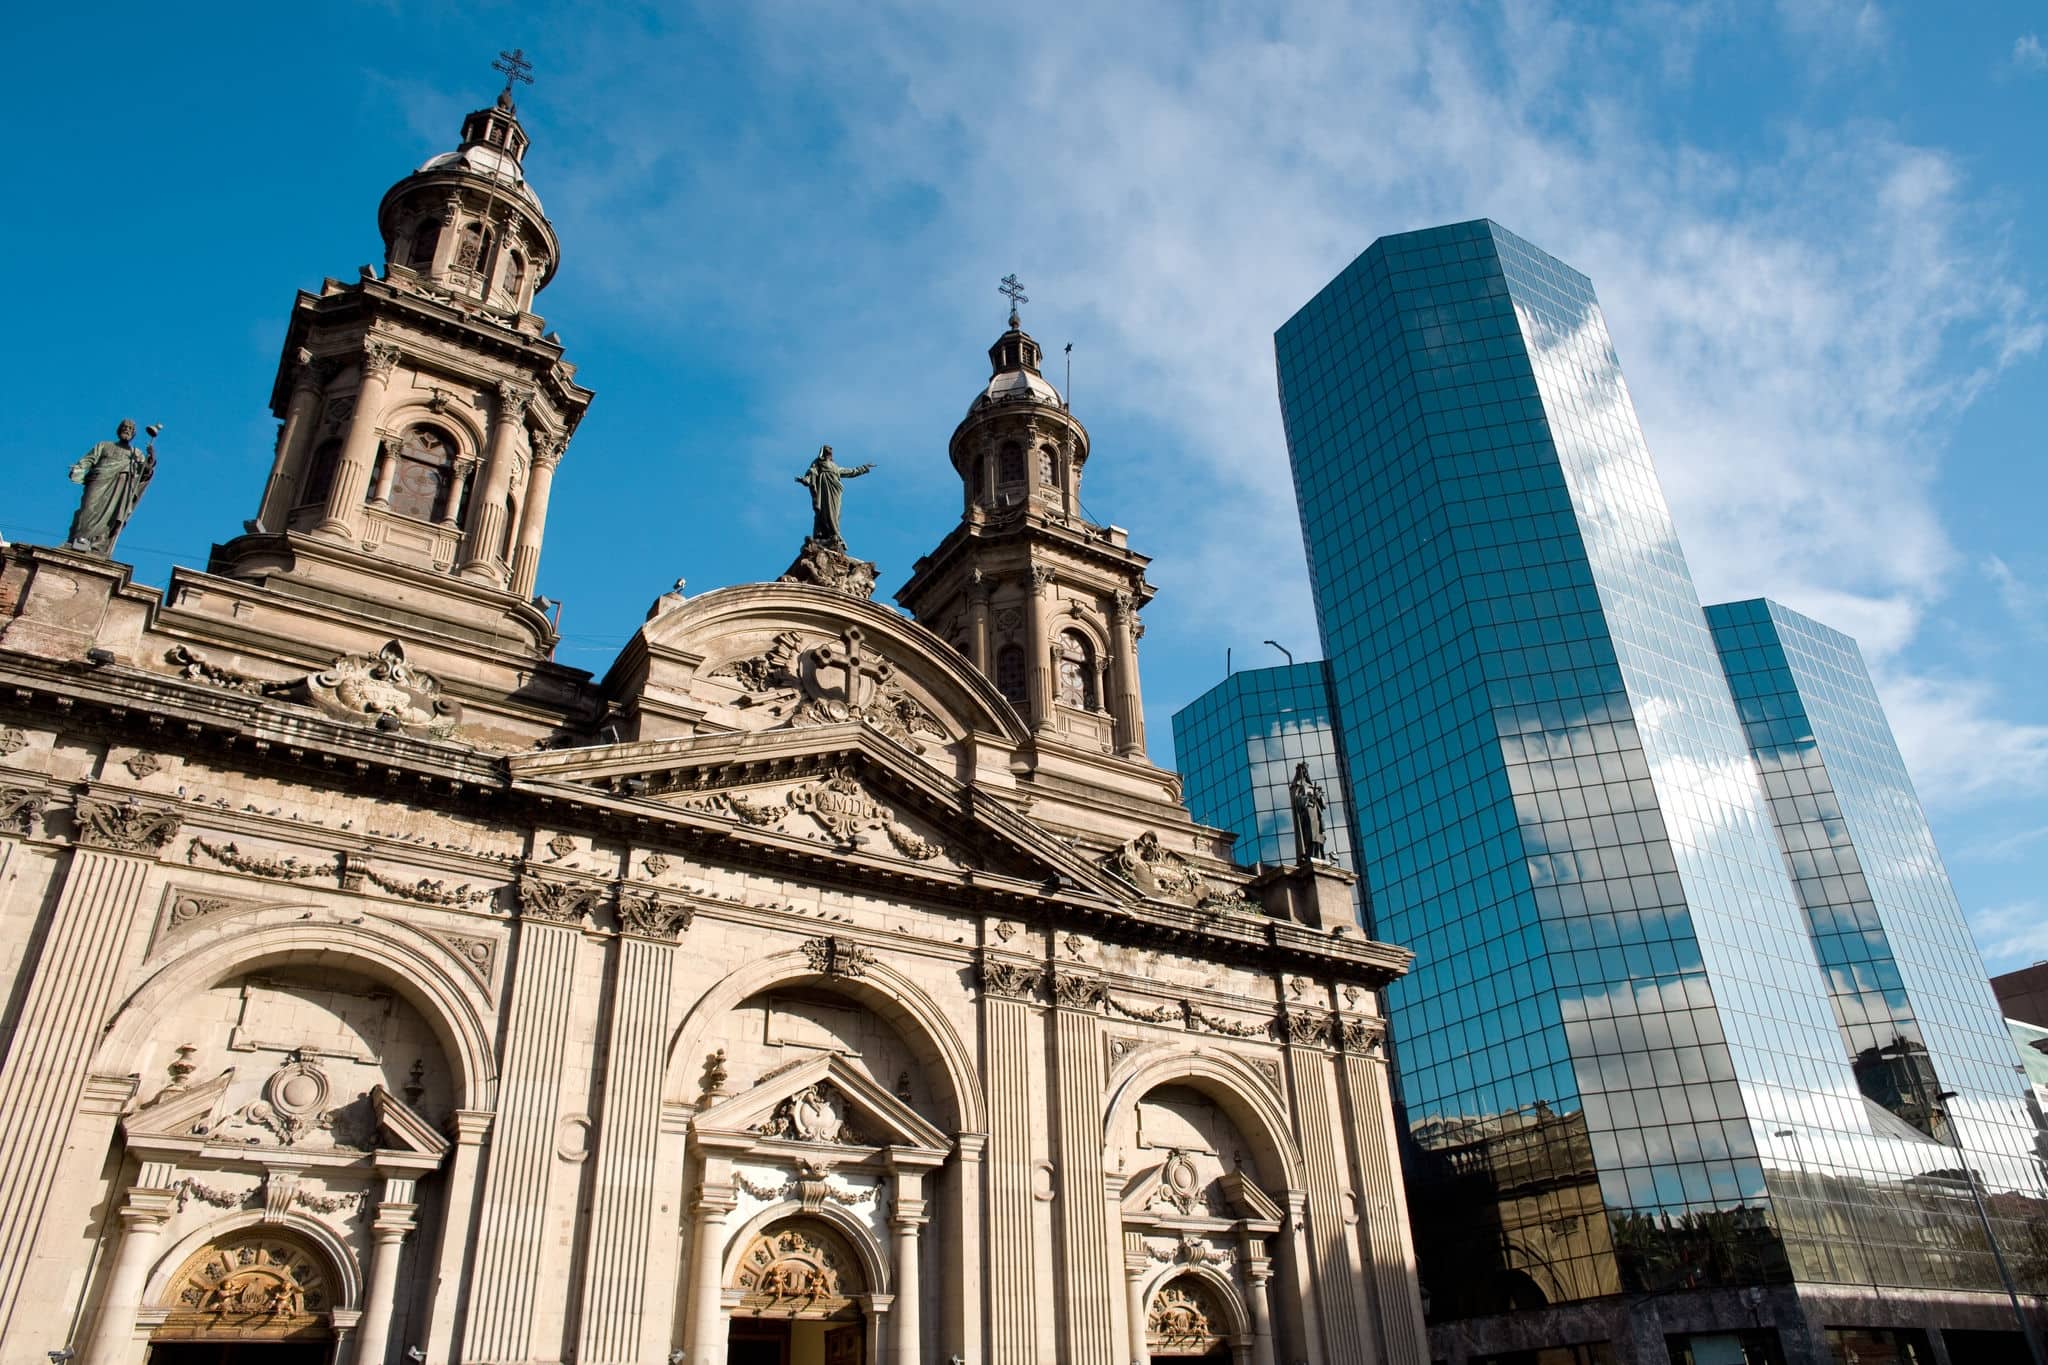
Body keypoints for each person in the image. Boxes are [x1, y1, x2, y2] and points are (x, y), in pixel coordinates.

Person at [67, 419, 157, 556]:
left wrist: (151, 458)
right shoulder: (104, 445)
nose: (127, 430)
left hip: (119, 488)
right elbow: (88, 460)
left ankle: (97, 545)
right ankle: (79, 540)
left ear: (133, 434)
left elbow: (143, 474)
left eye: (130, 428)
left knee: (110, 517)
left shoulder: (136, 453)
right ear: (119, 430)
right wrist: (78, 469)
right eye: (124, 427)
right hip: (99, 480)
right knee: (88, 509)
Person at [795, 445, 873, 549]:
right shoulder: (818, 462)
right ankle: (824, 536)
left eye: (831, 449)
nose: (830, 449)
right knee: (824, 512)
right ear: (823, 451)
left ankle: (835, 535)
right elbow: (812, 472)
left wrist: (864, 468)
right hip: (823, 491)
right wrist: (806, 479)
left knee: (834, 514)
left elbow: (851, 472)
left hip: (835, 491)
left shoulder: (836, 467)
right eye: (827, 448)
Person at [1289, 761, 1328, 863]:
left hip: (1316, 812)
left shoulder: (1310, 786)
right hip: (1307, 813)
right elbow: (1297, 801)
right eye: (1303, 770)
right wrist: (1307, 798)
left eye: (1306, 770)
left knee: (1318, 835)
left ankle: (1319, 854)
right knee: (1310, 835)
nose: (1305, 772)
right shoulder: (1297, 785)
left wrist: (1319, 796)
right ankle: (1310, 854)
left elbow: (1323, 805)